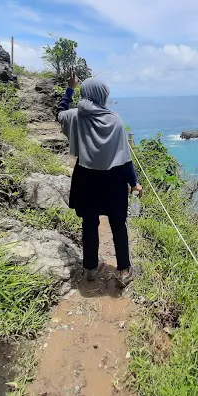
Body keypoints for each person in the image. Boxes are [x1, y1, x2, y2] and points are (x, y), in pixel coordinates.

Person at [55, 73, 142, 287]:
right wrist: (133, 183)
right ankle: (123, 270)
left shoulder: (75, 116)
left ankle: (91, 268)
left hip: (86, 177)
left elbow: (58, 113)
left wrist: (70, 89)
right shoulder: (115, 121)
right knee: (118, 224)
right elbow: (124, 158)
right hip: (114, 180)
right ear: (102, 95)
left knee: (89, 222)